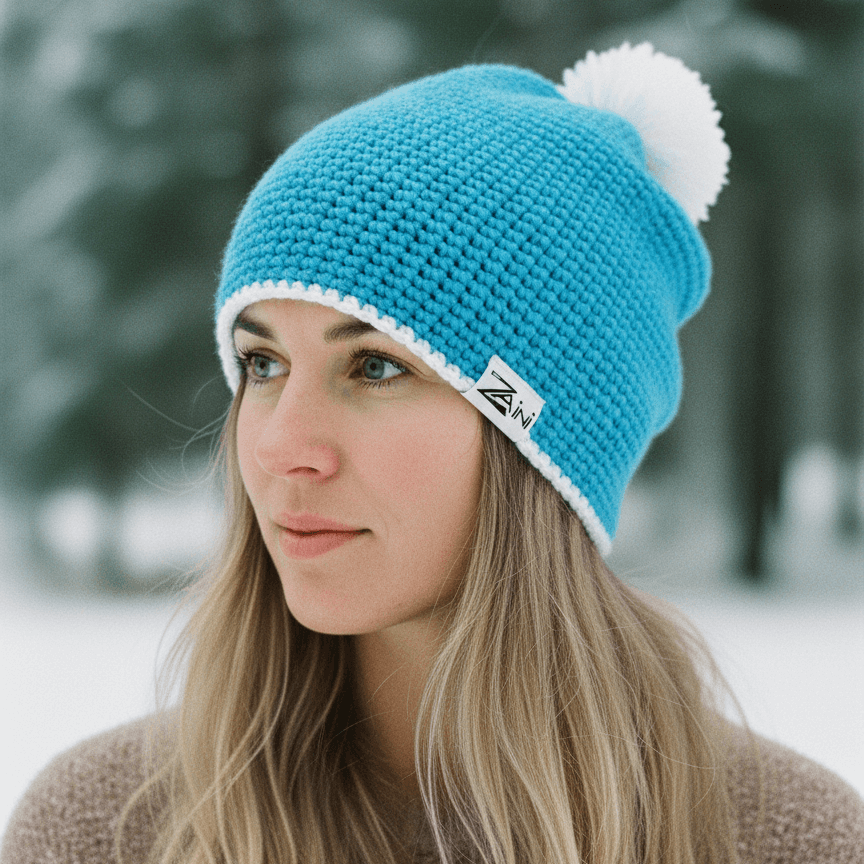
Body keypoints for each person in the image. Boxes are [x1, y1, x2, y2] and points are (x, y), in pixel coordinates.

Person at [2, 43, 862, 864]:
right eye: (263, 364)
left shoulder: (788, 841)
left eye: (375, 367)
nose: (280, 445)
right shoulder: (101, 829)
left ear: (532, 438)